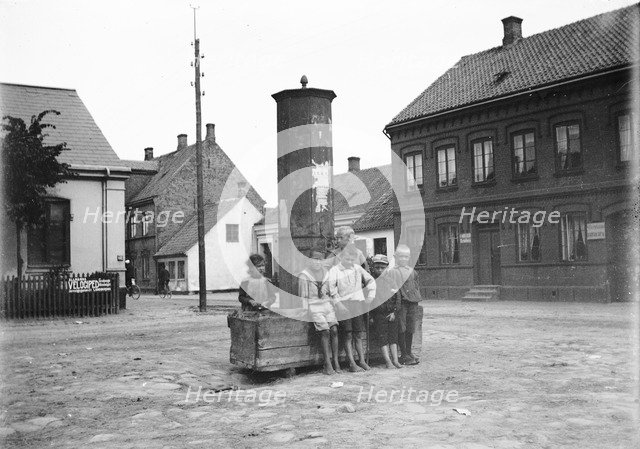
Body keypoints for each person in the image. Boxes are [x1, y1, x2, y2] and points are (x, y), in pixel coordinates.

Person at [328, 244, 376, 372]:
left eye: (352, 260)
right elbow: (332, 289)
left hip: (357, 304)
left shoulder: (358, 269)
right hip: (344, 305)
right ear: (341, 258)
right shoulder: (335, 270)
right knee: (348, 334)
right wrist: (339, 304)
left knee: (358, 334)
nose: (349, 262)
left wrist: (370, 296)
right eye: (347, 259)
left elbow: (371, 281)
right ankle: (351, 363)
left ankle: (361, 360)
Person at [298, 249, 341, 375]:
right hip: (314, 306)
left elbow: (331, 290)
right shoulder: (304, 275)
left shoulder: (326, 273)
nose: (317, 263)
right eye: (314, 260)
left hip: (327, 305)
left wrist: (335, 303)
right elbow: (303, 296)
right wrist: (305, 311)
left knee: (334, 330)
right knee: (325, 331)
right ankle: (327, 364)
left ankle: (336, 362)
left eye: (320, 260)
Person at [390, 244, 422, 365]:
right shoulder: (393, 272)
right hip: (401, 303)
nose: (403, 259)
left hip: (412, 303)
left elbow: (416, 286)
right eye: (401, 256)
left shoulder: (413, 271)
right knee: (401, 328)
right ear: (396, 257)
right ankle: (403, 354)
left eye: (406, 257)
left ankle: (409, 352)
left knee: (410, 327)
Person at [370, 254, 402, 369]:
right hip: (379, 314)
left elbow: (398, 297)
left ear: (387, 268)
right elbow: (369, 301)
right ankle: (388, 361)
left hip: (391, 314)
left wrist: (395, 312)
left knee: (393, 338)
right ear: (373, 268)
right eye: (377, 267)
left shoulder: (391, 281)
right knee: (382, 338)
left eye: (382, 268)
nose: (379, 270)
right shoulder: (371, 281)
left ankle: (395, 360)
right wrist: (371, 316)